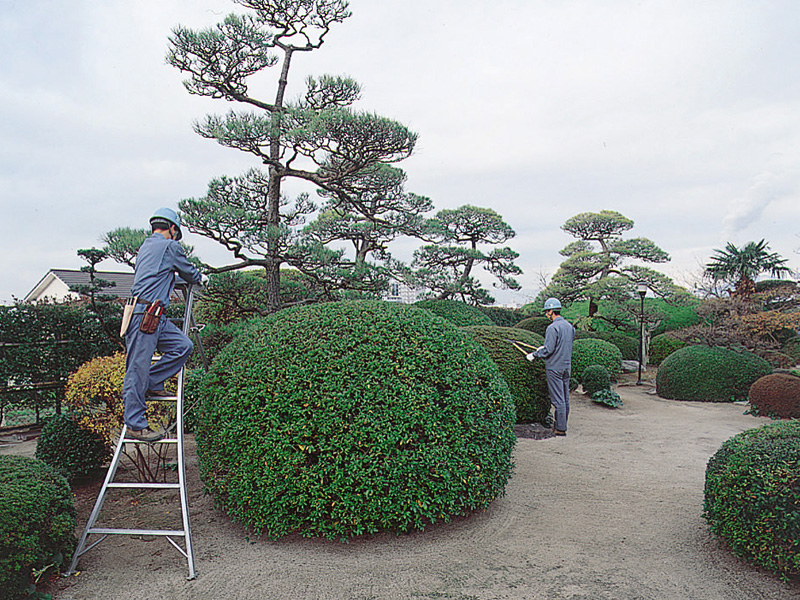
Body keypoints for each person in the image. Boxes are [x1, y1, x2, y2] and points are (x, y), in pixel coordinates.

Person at [121, 207, 207, 442]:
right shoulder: (170, 246)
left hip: (155, 316)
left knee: (183, 345)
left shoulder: (146, 247)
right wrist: (201, 278)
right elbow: (189, 273)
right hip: (144, 316)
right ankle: (136, 424)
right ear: (172, 228)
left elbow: (158, 274)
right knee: (137, 368)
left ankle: (153, 381)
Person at [526, 298, 575, 436]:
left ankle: (560, 429)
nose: (546, 314)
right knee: (565, 398)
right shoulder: (569, 326)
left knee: (557, 399)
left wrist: (535, 354)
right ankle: (562, 424)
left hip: (554, 367)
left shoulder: (552, 328)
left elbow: (548, 350)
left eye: (547, 311)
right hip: (566, 366)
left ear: (551, 311)